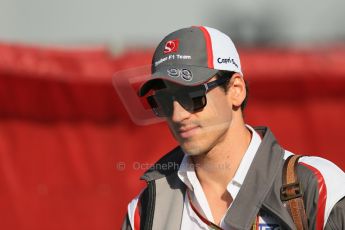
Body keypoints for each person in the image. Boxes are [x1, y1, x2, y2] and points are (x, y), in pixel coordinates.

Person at [121, 26, 345, 230]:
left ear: (236, 90)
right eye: (165, 101)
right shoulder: (146, 210)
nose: (178, 115)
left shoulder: (319, 186)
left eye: (192, 96)